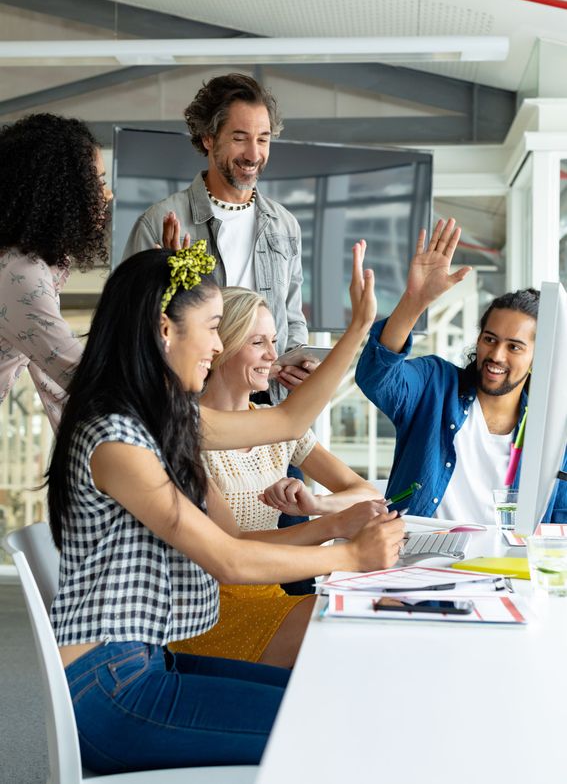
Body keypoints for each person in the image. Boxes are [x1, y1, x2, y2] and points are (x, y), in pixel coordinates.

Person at [47, 240, 404, 773]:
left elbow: (284, 424)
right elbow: (228, 560)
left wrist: (356, 330)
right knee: (334, 724)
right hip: (109, 693)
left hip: (144, 665)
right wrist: (350, 556)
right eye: (214, 327)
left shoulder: (156, 416)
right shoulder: (116, 437)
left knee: (338, 700)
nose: (218, 345)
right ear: (165, 331)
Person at [169, 286, 385, 668]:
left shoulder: (277, 429)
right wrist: (332, 525)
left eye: (273, 341)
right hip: (206, 611)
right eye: (258, 342)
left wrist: (318, 504)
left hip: (269, 596)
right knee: (345, 636)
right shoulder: (186, 431)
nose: (273, 355)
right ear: (223, 347)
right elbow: (230, 546)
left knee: (362, 625)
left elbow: (363, 492)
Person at [355, 217, 567, 524]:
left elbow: (559, 522)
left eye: (514, 346)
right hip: (418, 562)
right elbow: (376, 376)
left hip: (506, 566)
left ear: (539, 358)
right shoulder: (435, 384)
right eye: (489, 339)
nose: (496, 355)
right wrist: (415, 301)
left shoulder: (552, 431)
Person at [122, 72, 312, 394]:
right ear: (208, 138)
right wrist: (171, 284)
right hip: (195, 405)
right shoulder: (159, 222)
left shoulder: (284, 225)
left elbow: (292, 320)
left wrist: (302, 364)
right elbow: (134, 328)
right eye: (240, 138)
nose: (254, 154)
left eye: (263, 139)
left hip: (269, 404)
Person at [0, 113, 113, 429]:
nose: (107, 195)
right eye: (98, 182)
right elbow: (79, 376)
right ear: (60, 190)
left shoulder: (37, 265)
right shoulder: (22, 275)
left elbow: (53, 379)